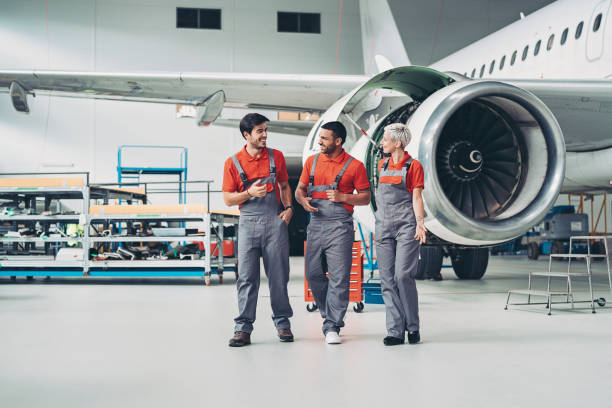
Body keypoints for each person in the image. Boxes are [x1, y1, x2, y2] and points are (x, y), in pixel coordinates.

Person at [222, 113, 294, 347]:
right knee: (246, 278)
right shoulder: (232, 163)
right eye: (259, 131)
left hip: (274, 221)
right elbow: (228, 199)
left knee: (279, 276)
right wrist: (249, 193)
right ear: (247, 135)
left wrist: (289, 207)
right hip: (248, 222)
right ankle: (242, 329)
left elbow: (284, 184)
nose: (265, 135)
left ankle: (283, 324)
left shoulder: (277, 157)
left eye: (265, 130)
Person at [295, 121, 370, 344]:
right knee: (313, 274)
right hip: (316, 224)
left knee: (339, 278)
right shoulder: (312, 162)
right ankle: (330, 315)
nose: (320, 142)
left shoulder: (355, 166)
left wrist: (344, 197)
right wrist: (302, 200)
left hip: (340, 226)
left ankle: (332, 326)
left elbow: (365, 197)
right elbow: (300, 189)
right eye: (320, 138)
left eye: (325, 138)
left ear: (338, 141)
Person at [375, 123, 427, 346]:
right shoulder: (381, 164)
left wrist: (420, 224)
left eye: (385, 139)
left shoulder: (414, 166)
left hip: (406, 225)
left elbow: (416, 197)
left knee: (402, 276)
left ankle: (412, 327)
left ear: (398, 143)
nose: (382, 143)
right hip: (383, 226)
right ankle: (395, 331)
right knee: (387, 280)